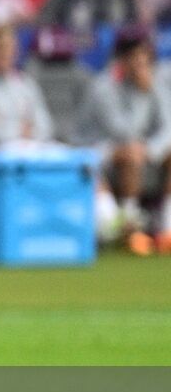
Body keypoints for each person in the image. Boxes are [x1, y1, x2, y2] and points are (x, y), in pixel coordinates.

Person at [72, 34, 171, 252]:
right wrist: (145, 92)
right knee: (131, 155)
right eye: (136, 61)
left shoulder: (152, 83)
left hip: (133, 148)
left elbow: (167, 126)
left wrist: (151, 150)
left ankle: (167, 229)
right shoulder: (103, 87)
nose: (142, 67)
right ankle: (131, 229)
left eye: (145, 61)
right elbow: (123, 132)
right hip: (95, 150)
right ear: (122, 61)